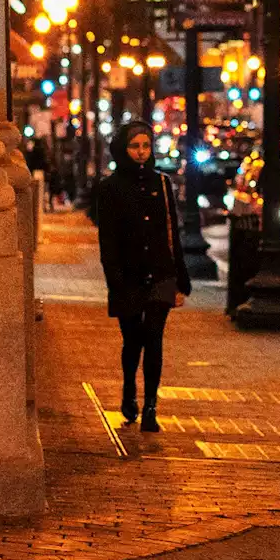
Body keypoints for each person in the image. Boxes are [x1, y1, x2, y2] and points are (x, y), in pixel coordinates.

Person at [95, 121, 190, 432]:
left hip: (161, 272)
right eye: (135, 146)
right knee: (132, 340)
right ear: (124, 149)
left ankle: (151, 405)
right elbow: (107, 240)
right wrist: (115, 280)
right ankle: (128, 390)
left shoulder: (162, 183)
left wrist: (180, 278)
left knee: (154, 337)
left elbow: (172, 232)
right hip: (128, 276)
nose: (140, 152)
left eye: (145, 146)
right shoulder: (110, 188)